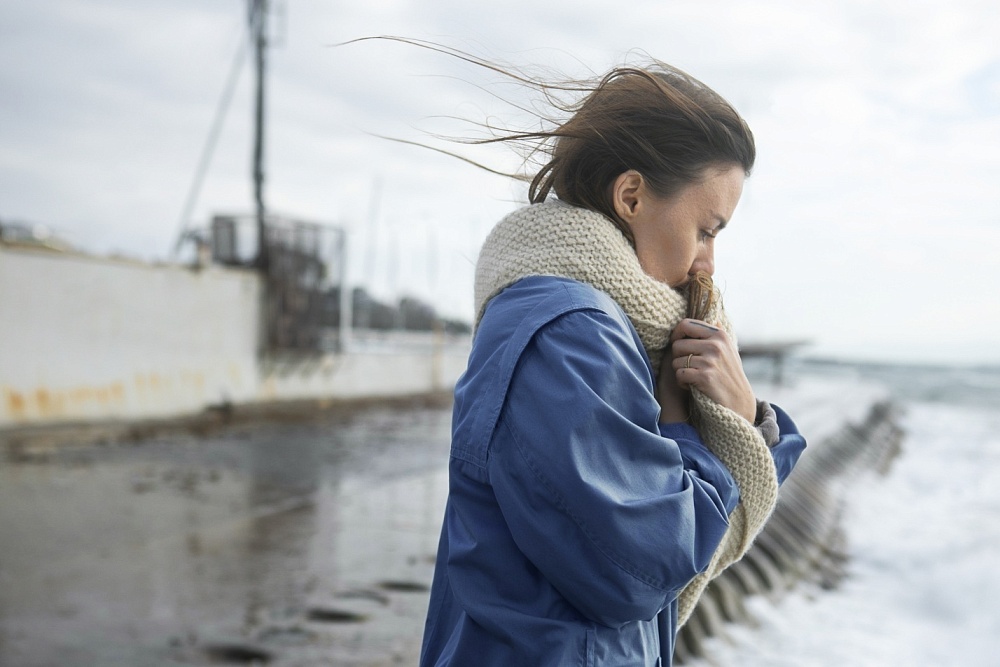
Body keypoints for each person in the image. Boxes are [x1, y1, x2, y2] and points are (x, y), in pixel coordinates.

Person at [417, 55, 807, 666]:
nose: (708, 263)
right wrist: (695, 430)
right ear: (631, 196)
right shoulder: (569, 332)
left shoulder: (588, 324)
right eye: (706, 229)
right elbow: (639, 569)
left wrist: (747, 415)